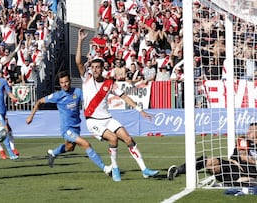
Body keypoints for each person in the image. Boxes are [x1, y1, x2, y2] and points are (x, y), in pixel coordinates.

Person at [75, 28, 159, 181]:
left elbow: (125, 97)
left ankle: (145, 169)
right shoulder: (86, 79)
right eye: (92, 67)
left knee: (128, 139)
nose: (94, 70)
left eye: (97, 67)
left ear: (102, 68)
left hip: (107, 118)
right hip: (93, 121)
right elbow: (78, 62)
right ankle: (115, 168)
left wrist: (140, 110)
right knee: (113, 139)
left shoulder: (109, 83)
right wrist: (80, 40)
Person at [26, 71, 113, 178]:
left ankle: (53, 153)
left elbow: (90, 102)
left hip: (76, 127)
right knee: (86, 144)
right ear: (60, 83)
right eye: (62, 83)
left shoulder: (78, 92)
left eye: (66, 82)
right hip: (66, 129)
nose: (64, 84)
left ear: (70, 81)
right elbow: (39, 101)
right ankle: (105, 168)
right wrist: (31, 116)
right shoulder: (58, 96)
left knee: (69, 148)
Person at [167, 123, 257, 186]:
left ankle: (231, 183)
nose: (248, 132)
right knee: (212, 162)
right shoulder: (243, 140)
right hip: (234, 166)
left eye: (252, 130)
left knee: (247, 180)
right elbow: (243, 157)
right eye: (249, 129)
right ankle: (178, 170)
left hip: (250, 171)